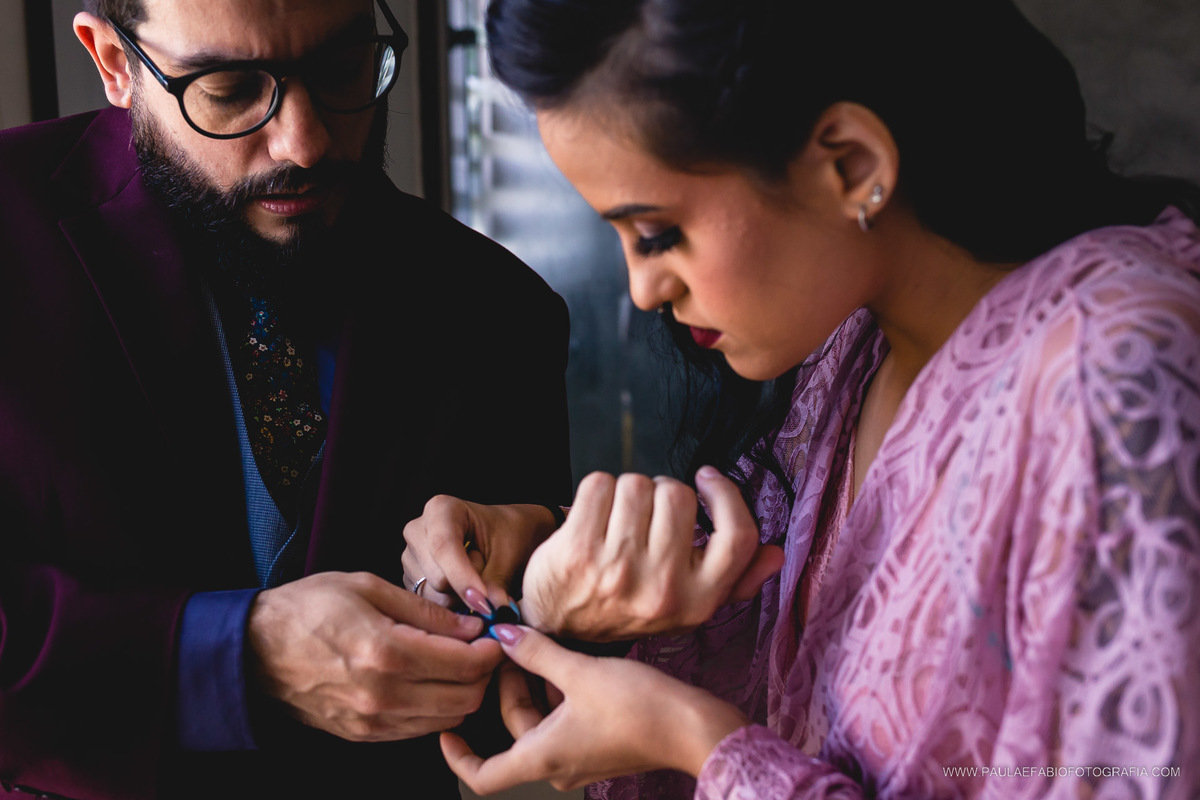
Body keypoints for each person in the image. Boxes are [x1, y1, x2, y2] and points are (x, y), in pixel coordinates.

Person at [400, 0, 1200, 797]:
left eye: (655, 233)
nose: (643, 289)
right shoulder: (850, 349)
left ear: (849, 164)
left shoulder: (1121, 381)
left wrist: (696, 744)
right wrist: (553, 569)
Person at [0, 0, 572, 797]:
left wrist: (525, 569)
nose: (305, 141)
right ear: (113, 63)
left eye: (342, 70)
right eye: (230, 88)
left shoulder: (502, 310)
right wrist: (239, 655)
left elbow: (533, 674)